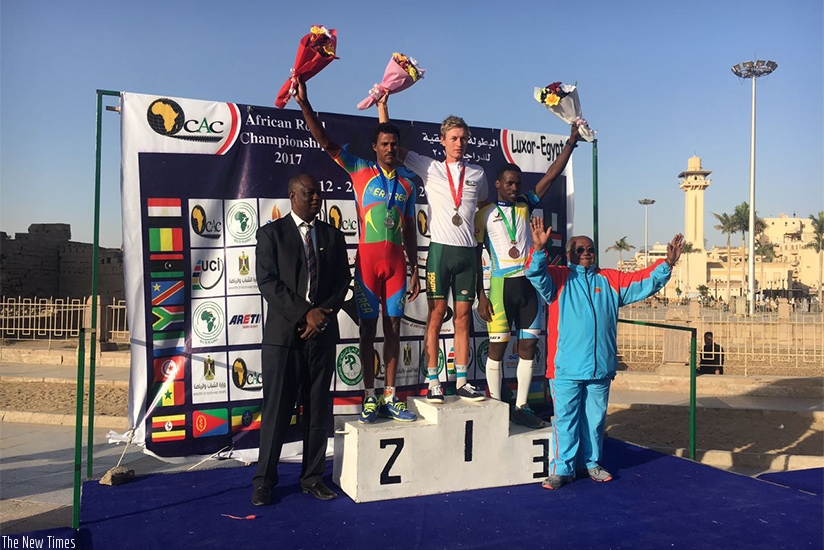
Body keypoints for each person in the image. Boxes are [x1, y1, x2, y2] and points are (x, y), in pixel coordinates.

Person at [294, 78, 421, 424]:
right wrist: (305, 105)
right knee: (367, 330)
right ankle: (369, 396)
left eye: (394, 144)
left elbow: (409, 229)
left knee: (394, 328)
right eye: (384, 143)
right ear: (375, 147)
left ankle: (392, 396)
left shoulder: (409, 182)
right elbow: (326, 142)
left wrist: (414, 268)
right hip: (367, 264)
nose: (390, 148)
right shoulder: (360, 171)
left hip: (396, 266)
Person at [525, 217, 684, 489]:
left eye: (590, 249)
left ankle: (591, 463)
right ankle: (562, 469)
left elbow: (642, 281)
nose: (586, 253)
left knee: (595, 420)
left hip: (600, 368)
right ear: (569, 255)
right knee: (565, 420)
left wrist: (667, 265)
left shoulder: (610, 279)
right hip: (566, 368)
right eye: (580, 250)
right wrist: (539, 251)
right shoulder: (558, 278)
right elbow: (535, 275)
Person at [378, 93, 488, 403]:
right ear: (442, 141)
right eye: (453, 138)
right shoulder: (429, 167)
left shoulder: (478, 174)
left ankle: (463, 380)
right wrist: (383, 107)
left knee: (464, 318)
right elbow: (391, 145)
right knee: (437, 316)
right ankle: (434, 380)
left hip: (467, 252)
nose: (459, 143)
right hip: (440, 251)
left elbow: (480, 205)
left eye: (464, 138)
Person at [251, 174, 351, 506]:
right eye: (309, 194)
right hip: (283, 338)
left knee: (318, 410)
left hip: (320, 335)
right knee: (277, 410)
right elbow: (267, 282)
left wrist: (321, 315)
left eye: (318, 193)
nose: (316, 198)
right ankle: (264, 480)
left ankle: (312, 478)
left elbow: (342, 282)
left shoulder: (333, 236)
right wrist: (304, 313)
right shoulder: (271, 234)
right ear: (292, 195)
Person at [475, 125, 580, 428]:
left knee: (528, 347)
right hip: (499, 285)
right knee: (497, 346)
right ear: (497, 184)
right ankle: (496, 406)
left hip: (529, 285)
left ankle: (521, 406)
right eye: (509, 182)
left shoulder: (526, 204)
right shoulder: (484, 214)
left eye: (518, 183)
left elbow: (548, 177)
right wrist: (480, 296)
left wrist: (571, 144)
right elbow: (473, 255)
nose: (514, 186)